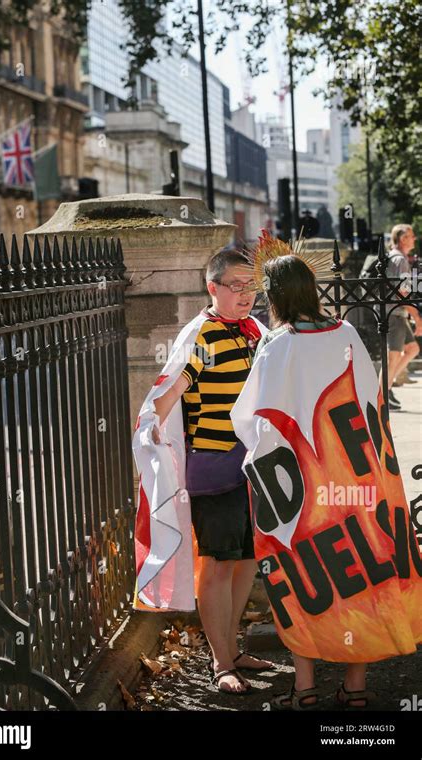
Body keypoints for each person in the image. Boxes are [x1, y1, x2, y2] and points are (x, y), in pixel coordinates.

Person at [231, 250, 422, 710]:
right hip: (357, 482)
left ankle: (305, 690)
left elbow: (256, 420)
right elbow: (371, 405)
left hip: (300, 492)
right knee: (361, 578)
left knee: (302, 577)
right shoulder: (349, 333)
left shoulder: (278, 345)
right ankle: (355, 691)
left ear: (275, 296)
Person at [133, 247, 276, 695]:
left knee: (246, 560)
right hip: (214, 468)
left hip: (254, 466)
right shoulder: (201, 334)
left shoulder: (254, 329)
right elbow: (172, 385)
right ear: (212, 287)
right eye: (235, 285)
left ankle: (231, 650)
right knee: (216, 564)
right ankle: (220, 662)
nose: (246, 294)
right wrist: (152, 421)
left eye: (251, 285)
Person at [381, 224, 422, 411]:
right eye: (411, 236)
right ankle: (381, 394)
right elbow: (402, 293)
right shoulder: (400, 261)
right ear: (403, 238)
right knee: (393, 356)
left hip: (396, 312)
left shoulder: (395, 258)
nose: (414, 239)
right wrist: (417, 317)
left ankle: (386, 387)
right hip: (394, 313)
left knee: (412, 348)